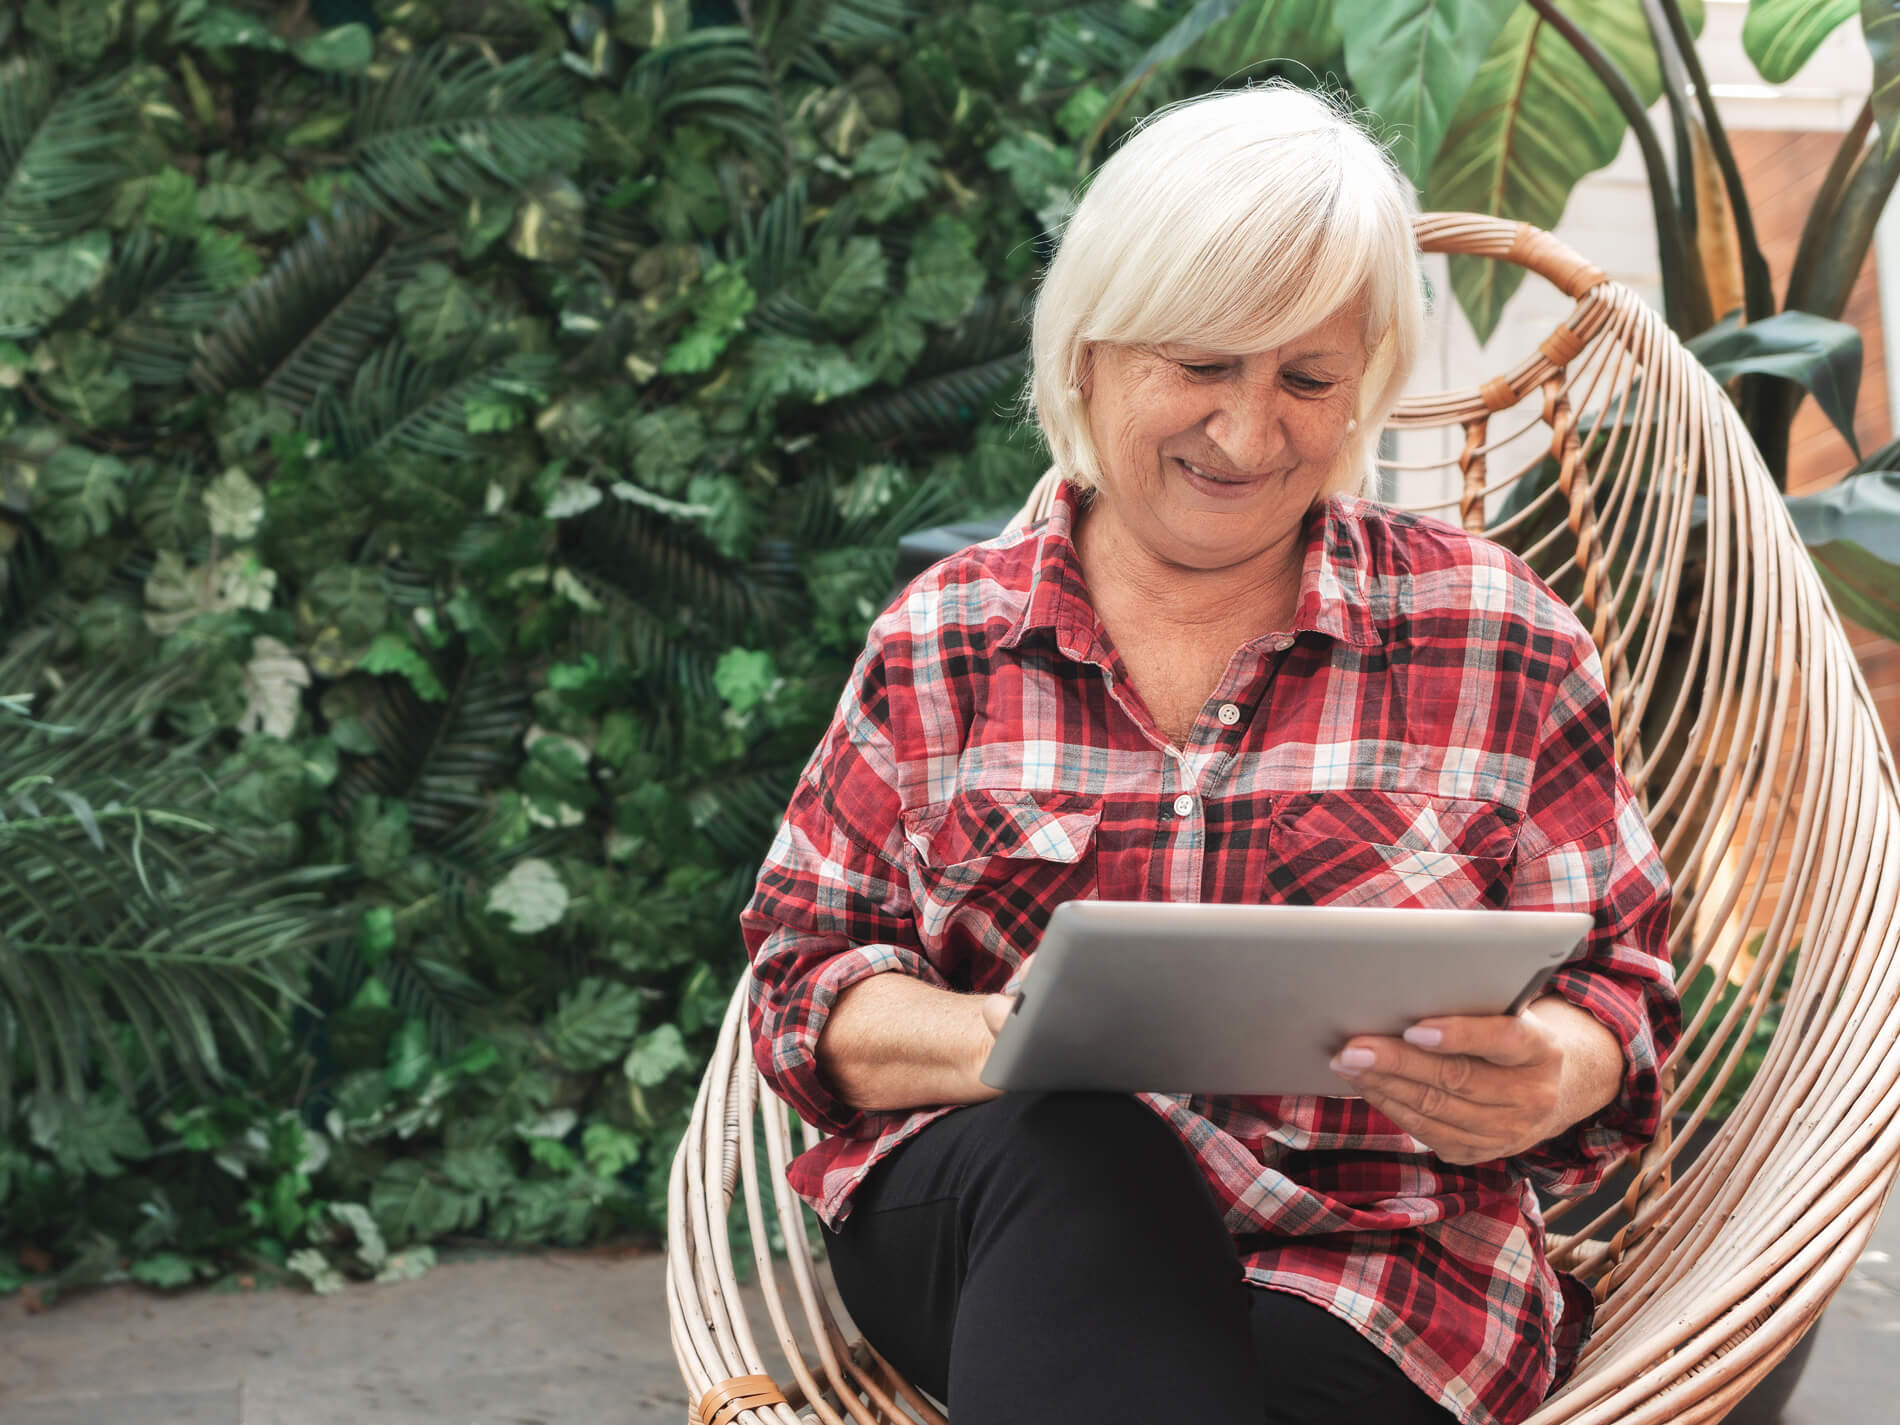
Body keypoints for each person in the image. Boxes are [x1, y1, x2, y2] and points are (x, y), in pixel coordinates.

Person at [741, 83, 1679, 1425]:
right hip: (1002, 1222)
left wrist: (1552, 1067)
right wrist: (999, 1043)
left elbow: (1623, 996)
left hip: (1375, 1274)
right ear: (1088, 354)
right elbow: (805, 979)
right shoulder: (946, 641)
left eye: (1307, 379)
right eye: (1199, 367)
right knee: (1081, 1144)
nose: (1249, 436)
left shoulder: (1498, 638)